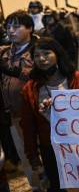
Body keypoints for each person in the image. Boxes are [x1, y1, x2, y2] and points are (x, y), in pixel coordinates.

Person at [19, 37, 79, 192]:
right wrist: (34, 159)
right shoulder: (30, 88)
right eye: (36, 56)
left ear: (57, 54)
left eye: (46, 53)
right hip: (51, 149)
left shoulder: (78, 79)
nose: (41, 59)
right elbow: (28, 127)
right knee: (56, 187)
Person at [0, 10, 39, 191]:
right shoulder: (6, 52)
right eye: (8, 26)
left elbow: (39, 76)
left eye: (16, 26)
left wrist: (13, 71)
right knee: (26, 156)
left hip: (37, 114)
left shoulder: (39, 50)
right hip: (14, 114)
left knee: (40, 155)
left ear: (30, 28)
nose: (11, 30)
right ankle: (37, 187)